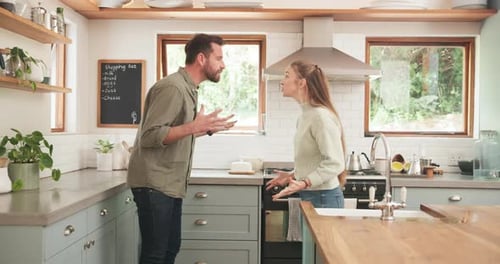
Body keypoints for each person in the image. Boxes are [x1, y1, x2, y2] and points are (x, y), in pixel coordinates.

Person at [127, 33, 237, 264]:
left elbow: (173, 133)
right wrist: (193, 126)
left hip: (169, 184)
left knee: (169, 250)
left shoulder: (187, 88)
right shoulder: (173, 88)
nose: (223, 64)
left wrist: (204, 129)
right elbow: (150, 136)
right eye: (218, 58)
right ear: (201, 58)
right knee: (156, 254)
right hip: (155, 183)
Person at [265, 60, 346, 208]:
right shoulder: (305, 116)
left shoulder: (320, 117)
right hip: (313, 196)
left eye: (287, 76)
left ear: (301, 83)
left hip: (324, 198)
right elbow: (314, 159)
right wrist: (294, 175)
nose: (282, 81)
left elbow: (335, 163)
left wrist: (304, 182)